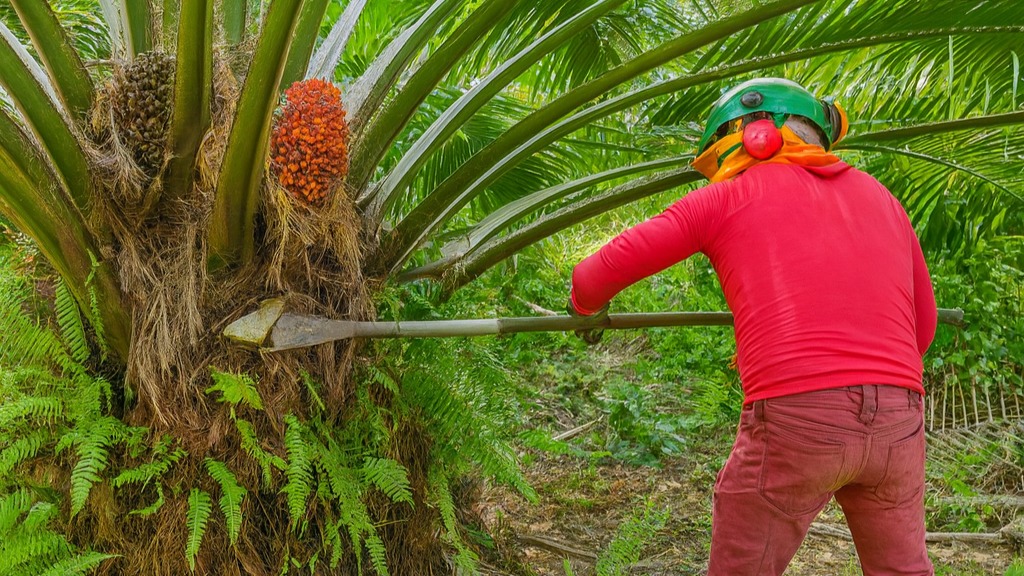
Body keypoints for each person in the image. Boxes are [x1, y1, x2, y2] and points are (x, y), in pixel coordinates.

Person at [567, 78, 937, 575]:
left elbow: (595, 274)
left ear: (744, 139)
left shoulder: (725, 199)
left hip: (797, 417)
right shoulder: (882, 198)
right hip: (899, 421)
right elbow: (924, 328)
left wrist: (584, 309)